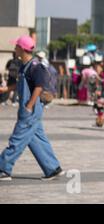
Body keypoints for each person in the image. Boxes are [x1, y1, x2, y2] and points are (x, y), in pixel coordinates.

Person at [0, 35, 64, 181]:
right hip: (30, 110)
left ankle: (3, 168)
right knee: (36, 139)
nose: (14, 49)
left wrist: (29, 105)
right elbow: (23, 84)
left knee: (17, 139)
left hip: (30, 110)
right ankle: (52, 168)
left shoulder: (35, 66)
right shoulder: (25, 66)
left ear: (22, 49)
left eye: (16, 46)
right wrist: (7, 89)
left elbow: (39, 87)